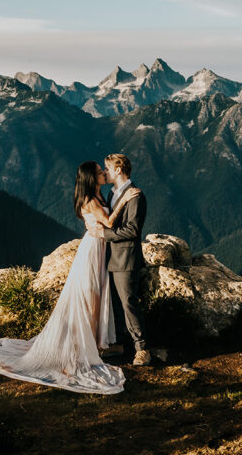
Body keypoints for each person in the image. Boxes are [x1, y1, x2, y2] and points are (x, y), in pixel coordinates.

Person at [0, 161, 126, 394]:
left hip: (98, 247)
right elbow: (109, 223)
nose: (104, 173)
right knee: (92, 295)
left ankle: (96, 342)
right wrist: (126, 199)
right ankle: (93, 345)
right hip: (94, 249)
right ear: (91, 178)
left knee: (96, 294)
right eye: (99, 172)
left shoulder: (97, 197)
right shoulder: (92, 200)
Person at [86, 153, 150, 367]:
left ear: (119, 170)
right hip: (109, 256)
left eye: (107, 168)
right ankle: (120, 344)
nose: (104, 172)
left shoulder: (136, 196)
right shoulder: (112, 194)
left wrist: (104, 235)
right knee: (113, 303)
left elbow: (132, 230)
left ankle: (142, 349)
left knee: (129, 302)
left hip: (125, 258)